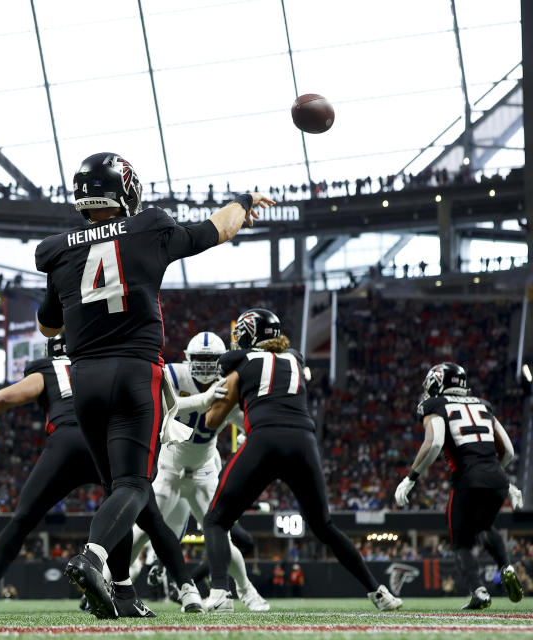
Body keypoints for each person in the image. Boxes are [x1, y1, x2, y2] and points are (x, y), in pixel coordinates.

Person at [35, 152, 273, 618]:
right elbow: (214, 231)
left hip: (82, 378)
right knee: (134, 484)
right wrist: (244, 201)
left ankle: (122, 593)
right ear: (127, 190)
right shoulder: (149, 227)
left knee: (117, 489)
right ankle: (94, 558)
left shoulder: (57, 248)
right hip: (134, 370)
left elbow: (47, 327)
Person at [0, 336, 202, 616]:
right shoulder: (101, 361)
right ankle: (185, 589)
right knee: (146, 515)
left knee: (22, 520)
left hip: (66, 444)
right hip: (105, 442)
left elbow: (5, 397)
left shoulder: (48, 369)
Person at [201, 308, 402, 612]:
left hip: (265, 440)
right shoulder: (295, 359)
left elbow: (213, 420)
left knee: (216, 520)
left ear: (247, 334)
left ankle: (219, 593)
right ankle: (379, 593)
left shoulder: (239, 364)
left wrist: (220, 400)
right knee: (324, 526)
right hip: (303, 444)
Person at [125, 331, 269, 611]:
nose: (204, 365)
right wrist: (203, 400)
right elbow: (163, 406)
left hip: (203, 470)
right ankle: (112, 579)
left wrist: (250, 433)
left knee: (222, 535)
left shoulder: (229, 382)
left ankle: (246, 590)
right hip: (170, 467)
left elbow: (244, 418)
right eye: (199, 359)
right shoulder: (173, 375)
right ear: (188, 359)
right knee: (142, 530)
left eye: (210, 359)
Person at [394, 362, 524, 609]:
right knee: (485, 526)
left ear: (439, 382)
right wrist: (501, 479)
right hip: (496, 478)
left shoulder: (435, 405)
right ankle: (506, 566)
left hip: (466, 478)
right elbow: (508, 451)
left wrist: (411, 478)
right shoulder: (483, 405)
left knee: (461, 540)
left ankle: (479, 592)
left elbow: (434, 444)